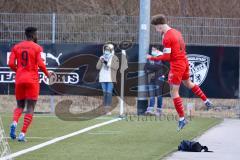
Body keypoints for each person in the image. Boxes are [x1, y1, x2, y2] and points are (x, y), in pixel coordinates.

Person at [147, 14, 213, 131]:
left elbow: (167, 57)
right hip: (184, 61)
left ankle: (182, 119)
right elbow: (174, 50)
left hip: (177, 65)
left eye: (156, 27)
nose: (156, 30)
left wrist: (152, 57)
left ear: (160, 25)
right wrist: (159, 53)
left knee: (174, 92)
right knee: (188, 84)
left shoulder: (167, 37)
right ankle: (206, 100)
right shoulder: (176, 32)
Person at [8, 27, 51, 141]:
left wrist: (19, 71)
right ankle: (22, 134)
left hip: (20, 79)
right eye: (36, 35)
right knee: (30, 107)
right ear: (33, 35)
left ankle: (14, 122)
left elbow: (11, 63)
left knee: (20, 106)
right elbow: (41, 64)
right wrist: (47, 74)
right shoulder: (37, 48)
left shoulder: (16, 47)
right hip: (32, 80)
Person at [96, 43, 119, 115]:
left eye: (108, 50)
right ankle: (104, 110)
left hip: (110, 78)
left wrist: (106, 63)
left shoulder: (114, 58)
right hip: (103, 78)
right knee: (105, 94)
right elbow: (97, 67)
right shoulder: (102, 57)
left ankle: (108, 110)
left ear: (111, 50)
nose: (106, 51)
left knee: (109, 94)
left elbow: (116, 67)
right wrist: (100, 61)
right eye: (105, 50)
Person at [144, 49, 165, 116]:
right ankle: (150, 110)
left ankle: (159, 110)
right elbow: (145, 67)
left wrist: (149, 69)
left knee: (159, 95)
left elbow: (156, 67)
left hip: (159, 78)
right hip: (151, 79)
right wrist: (148, 71)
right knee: (151, 95)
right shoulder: (150, 60)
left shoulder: (160, 59)